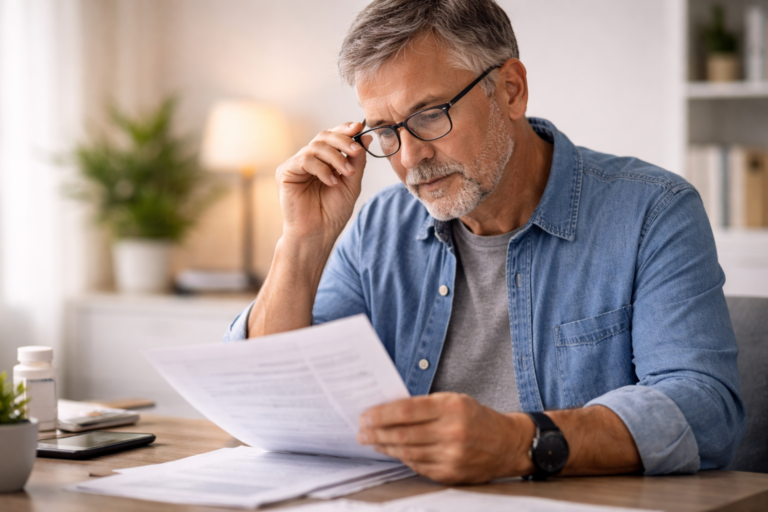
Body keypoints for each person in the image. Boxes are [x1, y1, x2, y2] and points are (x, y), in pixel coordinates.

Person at [224, 0, 745, 484]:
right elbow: (272, 400)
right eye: (385, 130)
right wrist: (301, 241)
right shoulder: (378, 227)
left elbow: (705, 409)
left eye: (428, 114)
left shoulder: (652, 211)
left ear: (511, 90)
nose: (408, 158)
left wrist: (519, 442)